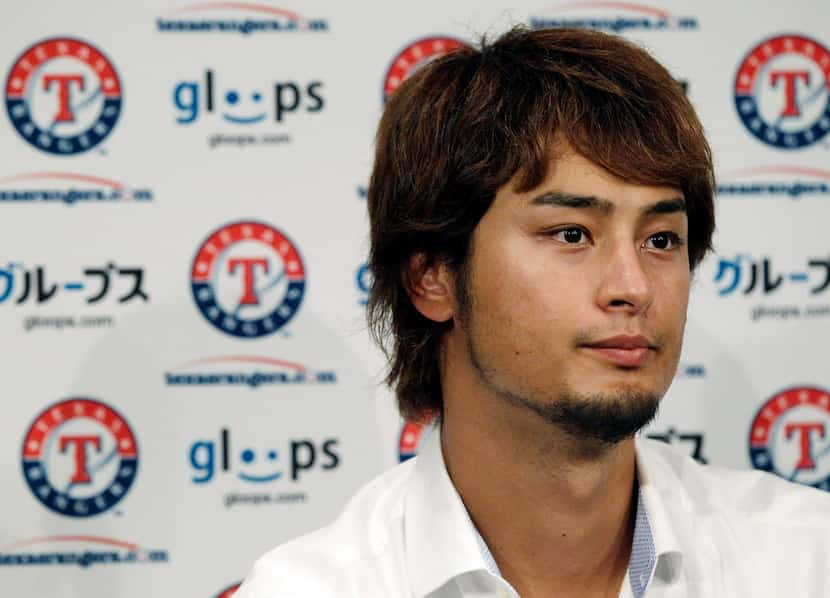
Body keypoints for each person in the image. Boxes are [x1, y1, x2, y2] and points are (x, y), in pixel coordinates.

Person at [235, 26, 830, 598]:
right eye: (572, 233)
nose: (634, 287)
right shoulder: (316, 589)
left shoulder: (805, 560)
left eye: (661, 240)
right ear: (432, 276)